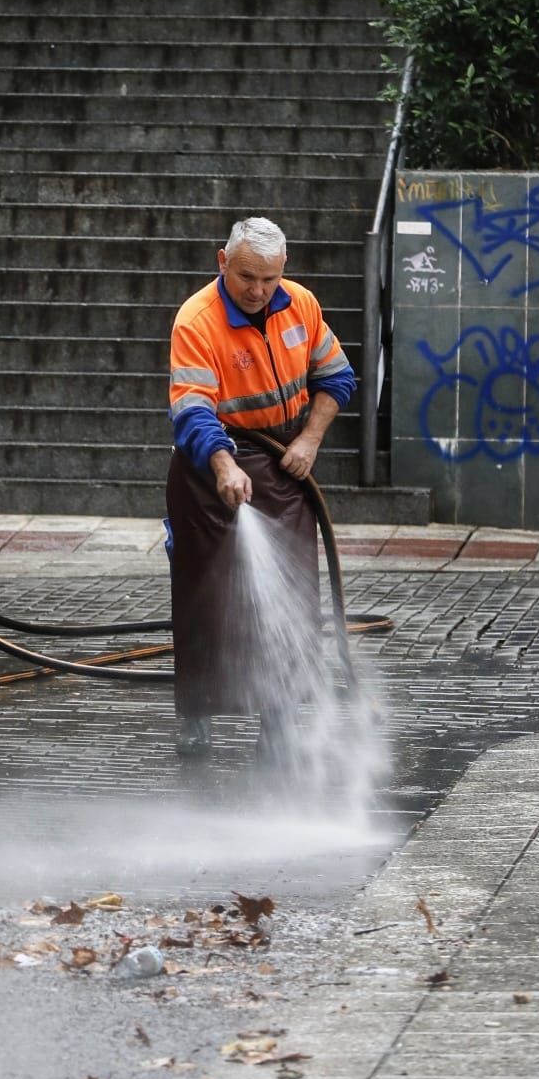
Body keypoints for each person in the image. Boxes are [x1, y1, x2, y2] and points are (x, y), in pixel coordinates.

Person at [164, 217, 357, 756]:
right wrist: (224, 465)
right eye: (248, 276)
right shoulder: (197, 320)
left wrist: (310, 439)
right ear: (222, 262)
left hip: (283, 464)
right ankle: (197, 716)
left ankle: (278, 717)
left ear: (284, 269)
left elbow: (337, 377)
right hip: (210, 473)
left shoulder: (301, 304)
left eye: (270, 279)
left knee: (291, 595)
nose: (258, 291)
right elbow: (193, 409)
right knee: (208, 598)